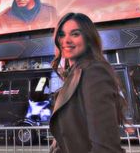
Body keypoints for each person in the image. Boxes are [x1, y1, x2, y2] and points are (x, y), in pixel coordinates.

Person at [49, 12, 126, 153]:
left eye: (75, 34)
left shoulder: (93, 72)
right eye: (61, 35)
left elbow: (105, 148)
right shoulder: (73, 74)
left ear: (88, 39)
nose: (66, 40)